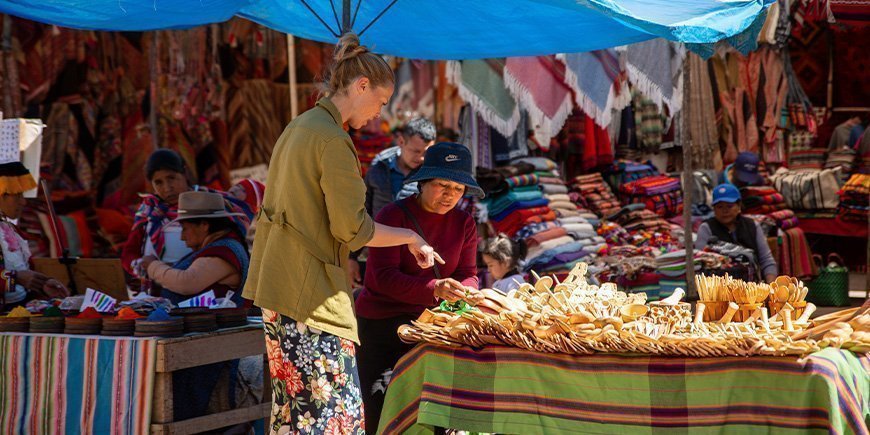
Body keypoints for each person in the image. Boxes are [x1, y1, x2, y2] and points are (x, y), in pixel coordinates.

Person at [243, 33, 440, 435]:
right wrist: (409, 235)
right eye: (381, 102)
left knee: (293, 414)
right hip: (308, 294)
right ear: (361, 86)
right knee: (332, 414)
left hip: (279, 287)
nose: (380, 115)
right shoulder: (332, 139)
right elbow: (354, 230)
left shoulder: (300, 126)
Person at [355, 142, 485, 431]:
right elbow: (381, 278)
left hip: (431, 328)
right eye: (442, 185)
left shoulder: (465, 223)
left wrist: (464, 289)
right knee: (380, 405)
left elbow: (469, 272)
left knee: (433, 408)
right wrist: (435, 287)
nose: (450, 194)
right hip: (382, 328)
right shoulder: (392, 216)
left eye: (458, 188)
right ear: (423, 183)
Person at [347, 117, 436, 287]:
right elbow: (363, 213)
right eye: (416, 151)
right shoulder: (378, 168)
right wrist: (352, 258)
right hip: (377, 256)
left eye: (426, 152)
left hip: (418, 262)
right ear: (401, 141)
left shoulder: (432, 176)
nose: (422, 158)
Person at [141, 191, 249, 306]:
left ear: (204, 225)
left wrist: (152, 266)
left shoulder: (224, 250)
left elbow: (186, 282)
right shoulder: (217, 247)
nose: (182, 237)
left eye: (185, 228)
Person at [0, 161, 69, 308]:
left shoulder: (11, 230)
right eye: (17, 195)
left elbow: (24, 273)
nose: (23, 202)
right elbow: (18, 276)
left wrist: (42, 285)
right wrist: (15, 278)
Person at [121, 149, 194, 278]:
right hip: (156, 288)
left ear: (185, 173)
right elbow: (129, 252)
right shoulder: (149, 210)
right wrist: (139, 265)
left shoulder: (205, 204)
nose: (167, 188)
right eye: (158, 182)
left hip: (196, 283)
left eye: (171, 178)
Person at [695, 184, 778, 283]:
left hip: (753, 289)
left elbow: (767, 261)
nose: (725, 211)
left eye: (729, 206)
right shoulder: (706, 228)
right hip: (720, 289)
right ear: (714, 209)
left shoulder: (752, 226)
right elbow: (699, 263)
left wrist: (770, 287)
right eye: (720, 207)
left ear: (739, 206)